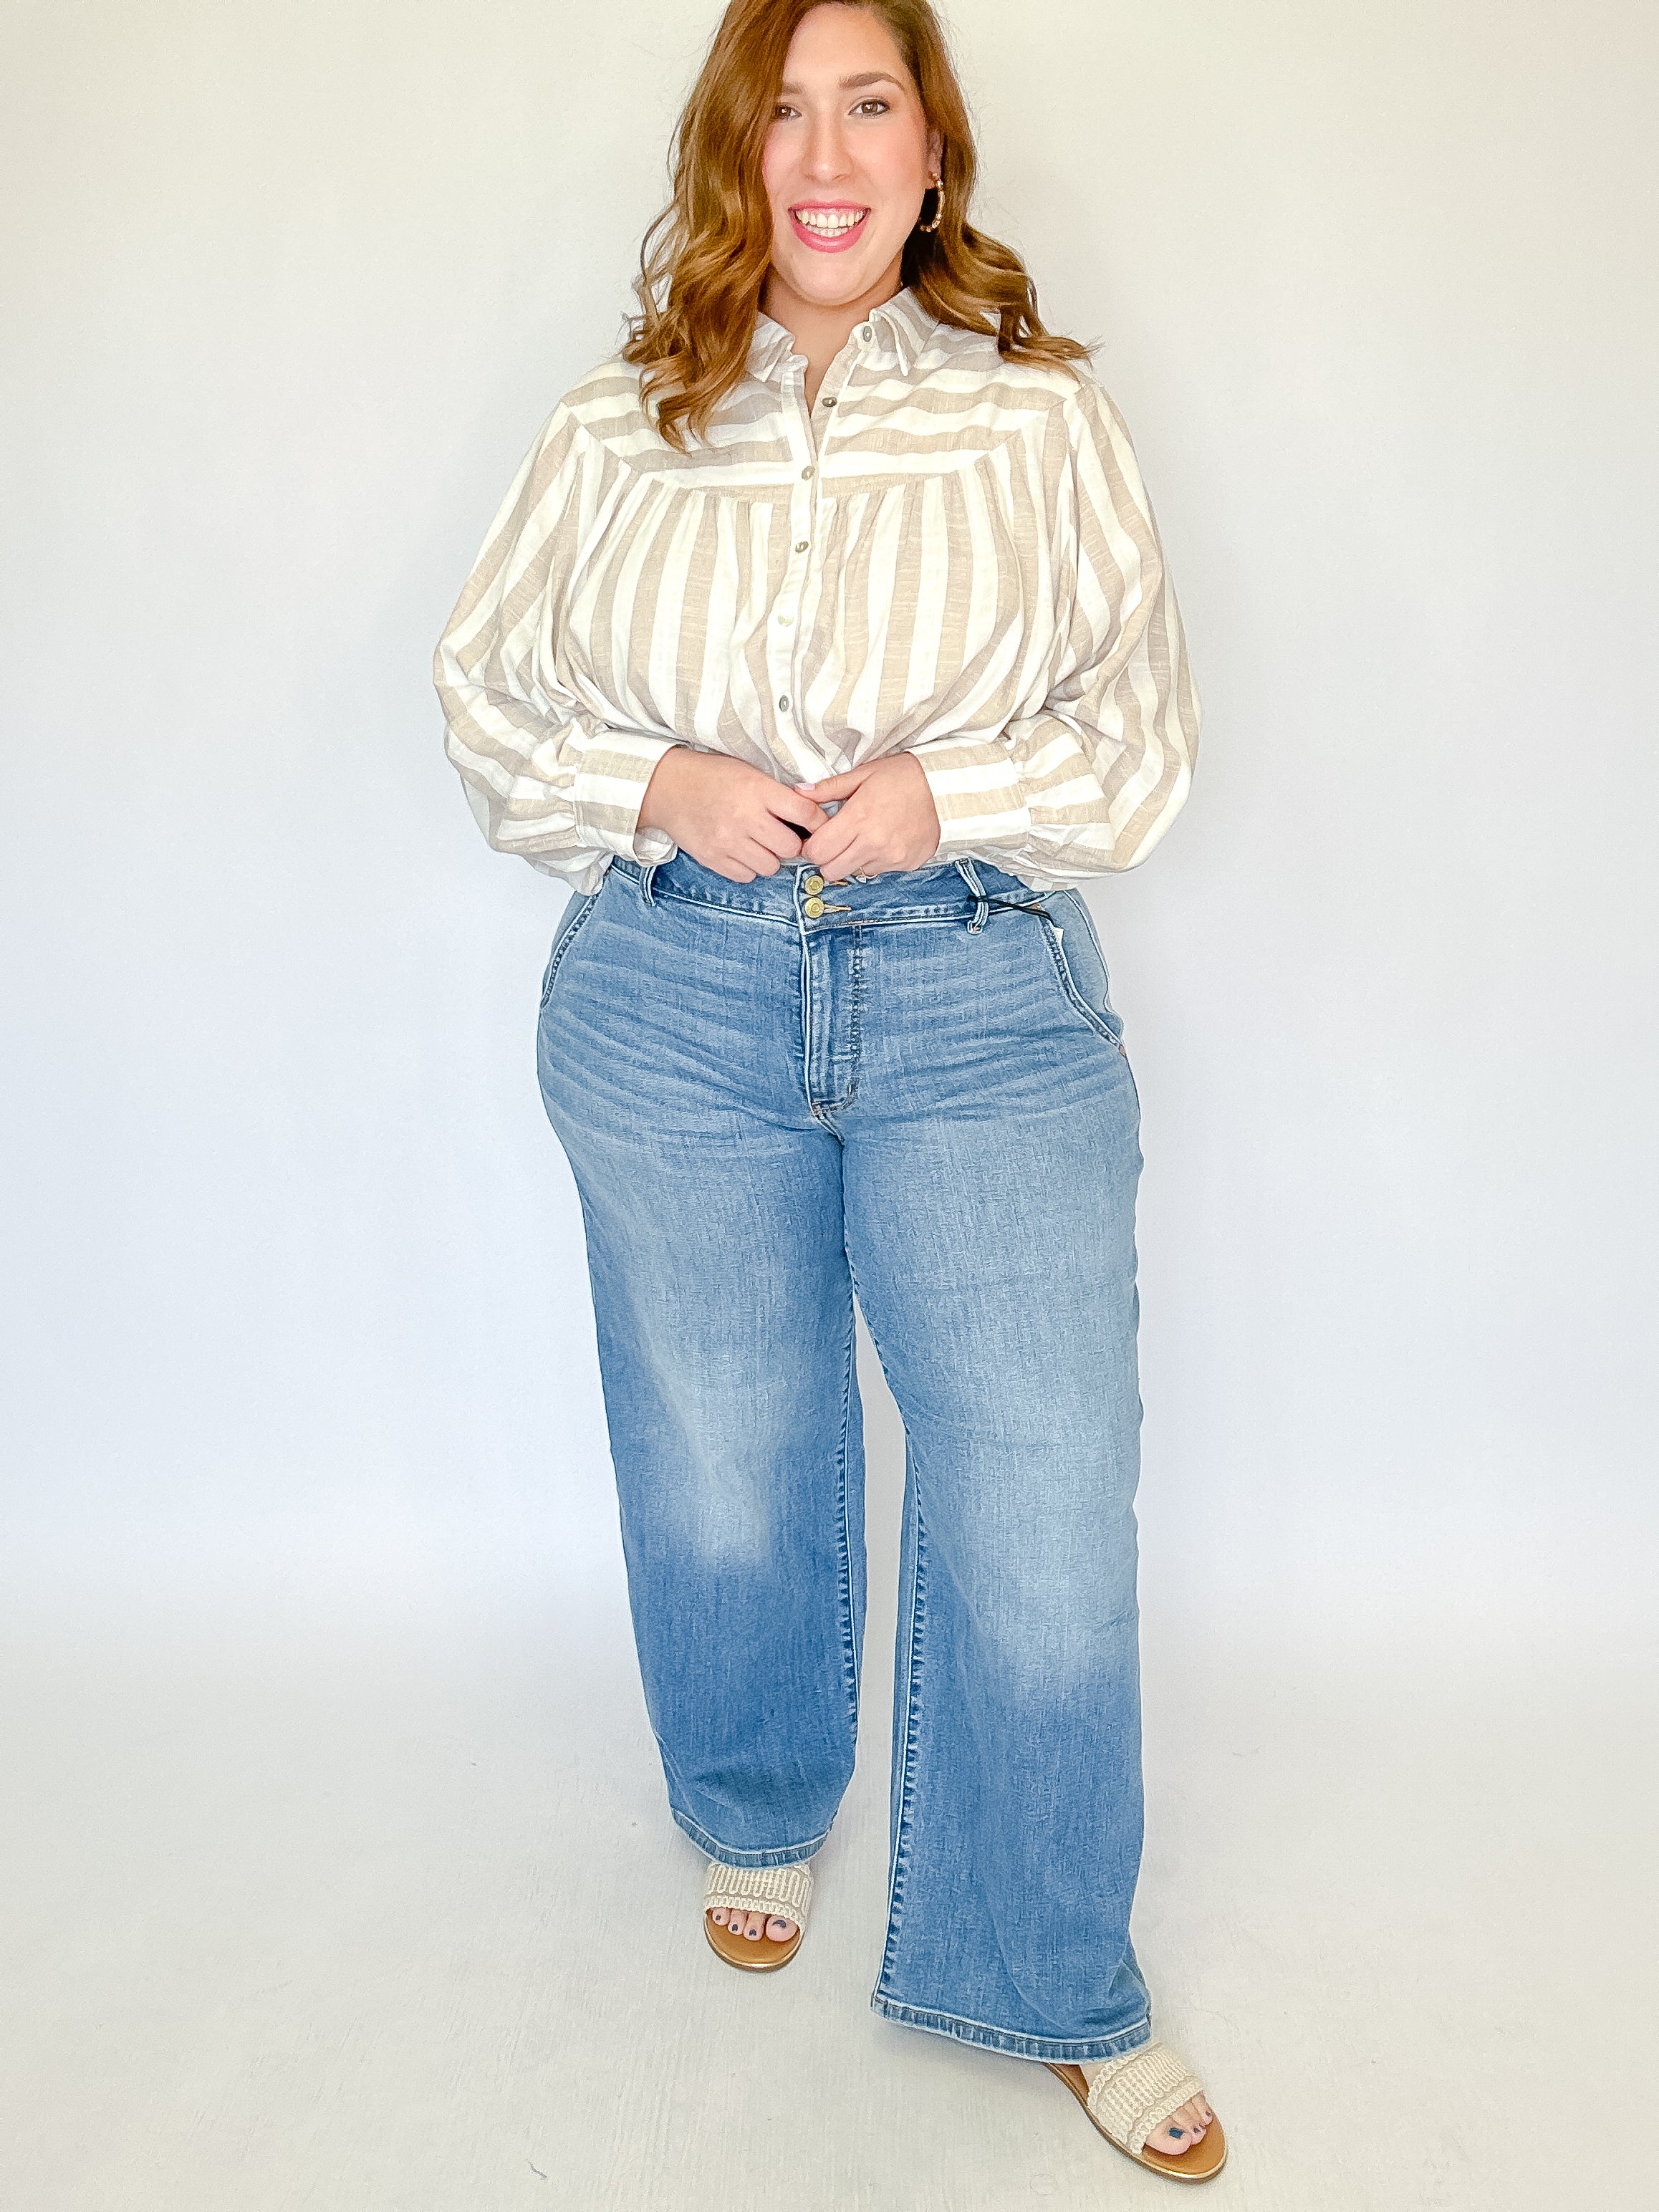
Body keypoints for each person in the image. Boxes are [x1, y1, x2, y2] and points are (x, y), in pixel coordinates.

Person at [434, 0, 1220, 2180]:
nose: (826, 153)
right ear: (734, 151)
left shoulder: (1039, 420)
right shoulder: (617, 427)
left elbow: (1142, 734)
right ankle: (757, 1802)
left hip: (975, 990)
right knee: (722, 1437)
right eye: (781, 111)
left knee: (1040, 1488)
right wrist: (656, 782)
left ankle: (1045, 1966)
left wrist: (949, 795)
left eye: (870, 103)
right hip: (670, 993)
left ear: (932, 147)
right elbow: (485, 694)